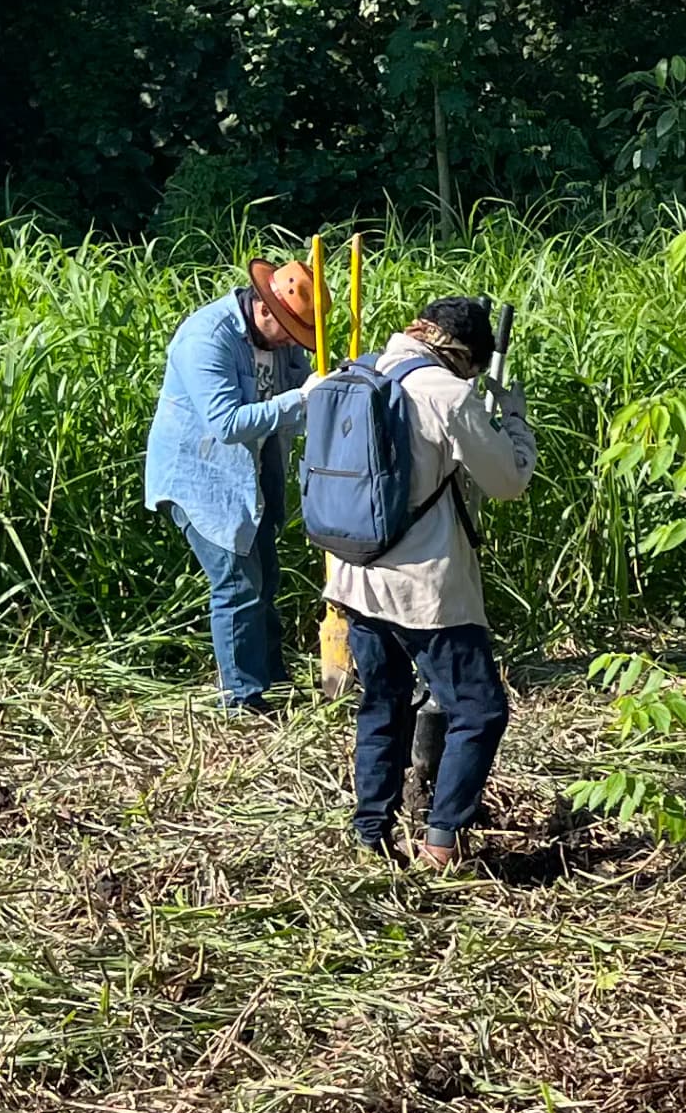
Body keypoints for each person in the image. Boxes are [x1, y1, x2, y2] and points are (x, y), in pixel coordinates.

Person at [321, 294, 534, 868]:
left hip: (354, 575)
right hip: (424, 589)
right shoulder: (448, 392)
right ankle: (443, 840)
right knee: (480, 709)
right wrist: (511, 418)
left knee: (383, 702)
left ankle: (371, 832)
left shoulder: (356, 371)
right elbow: (507, 480)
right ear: (464, 354)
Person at [145, 258, 321, 712]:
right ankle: (241, 700)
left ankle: (274, 682)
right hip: (202, 476)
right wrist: (301, 399)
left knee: (266, 578)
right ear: (265, 309)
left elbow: (306, 388)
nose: (290, 344)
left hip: (254, 471)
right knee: (238, 584)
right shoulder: (207, 337)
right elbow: (225, 423)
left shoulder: (282, 342)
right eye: (288, 332)